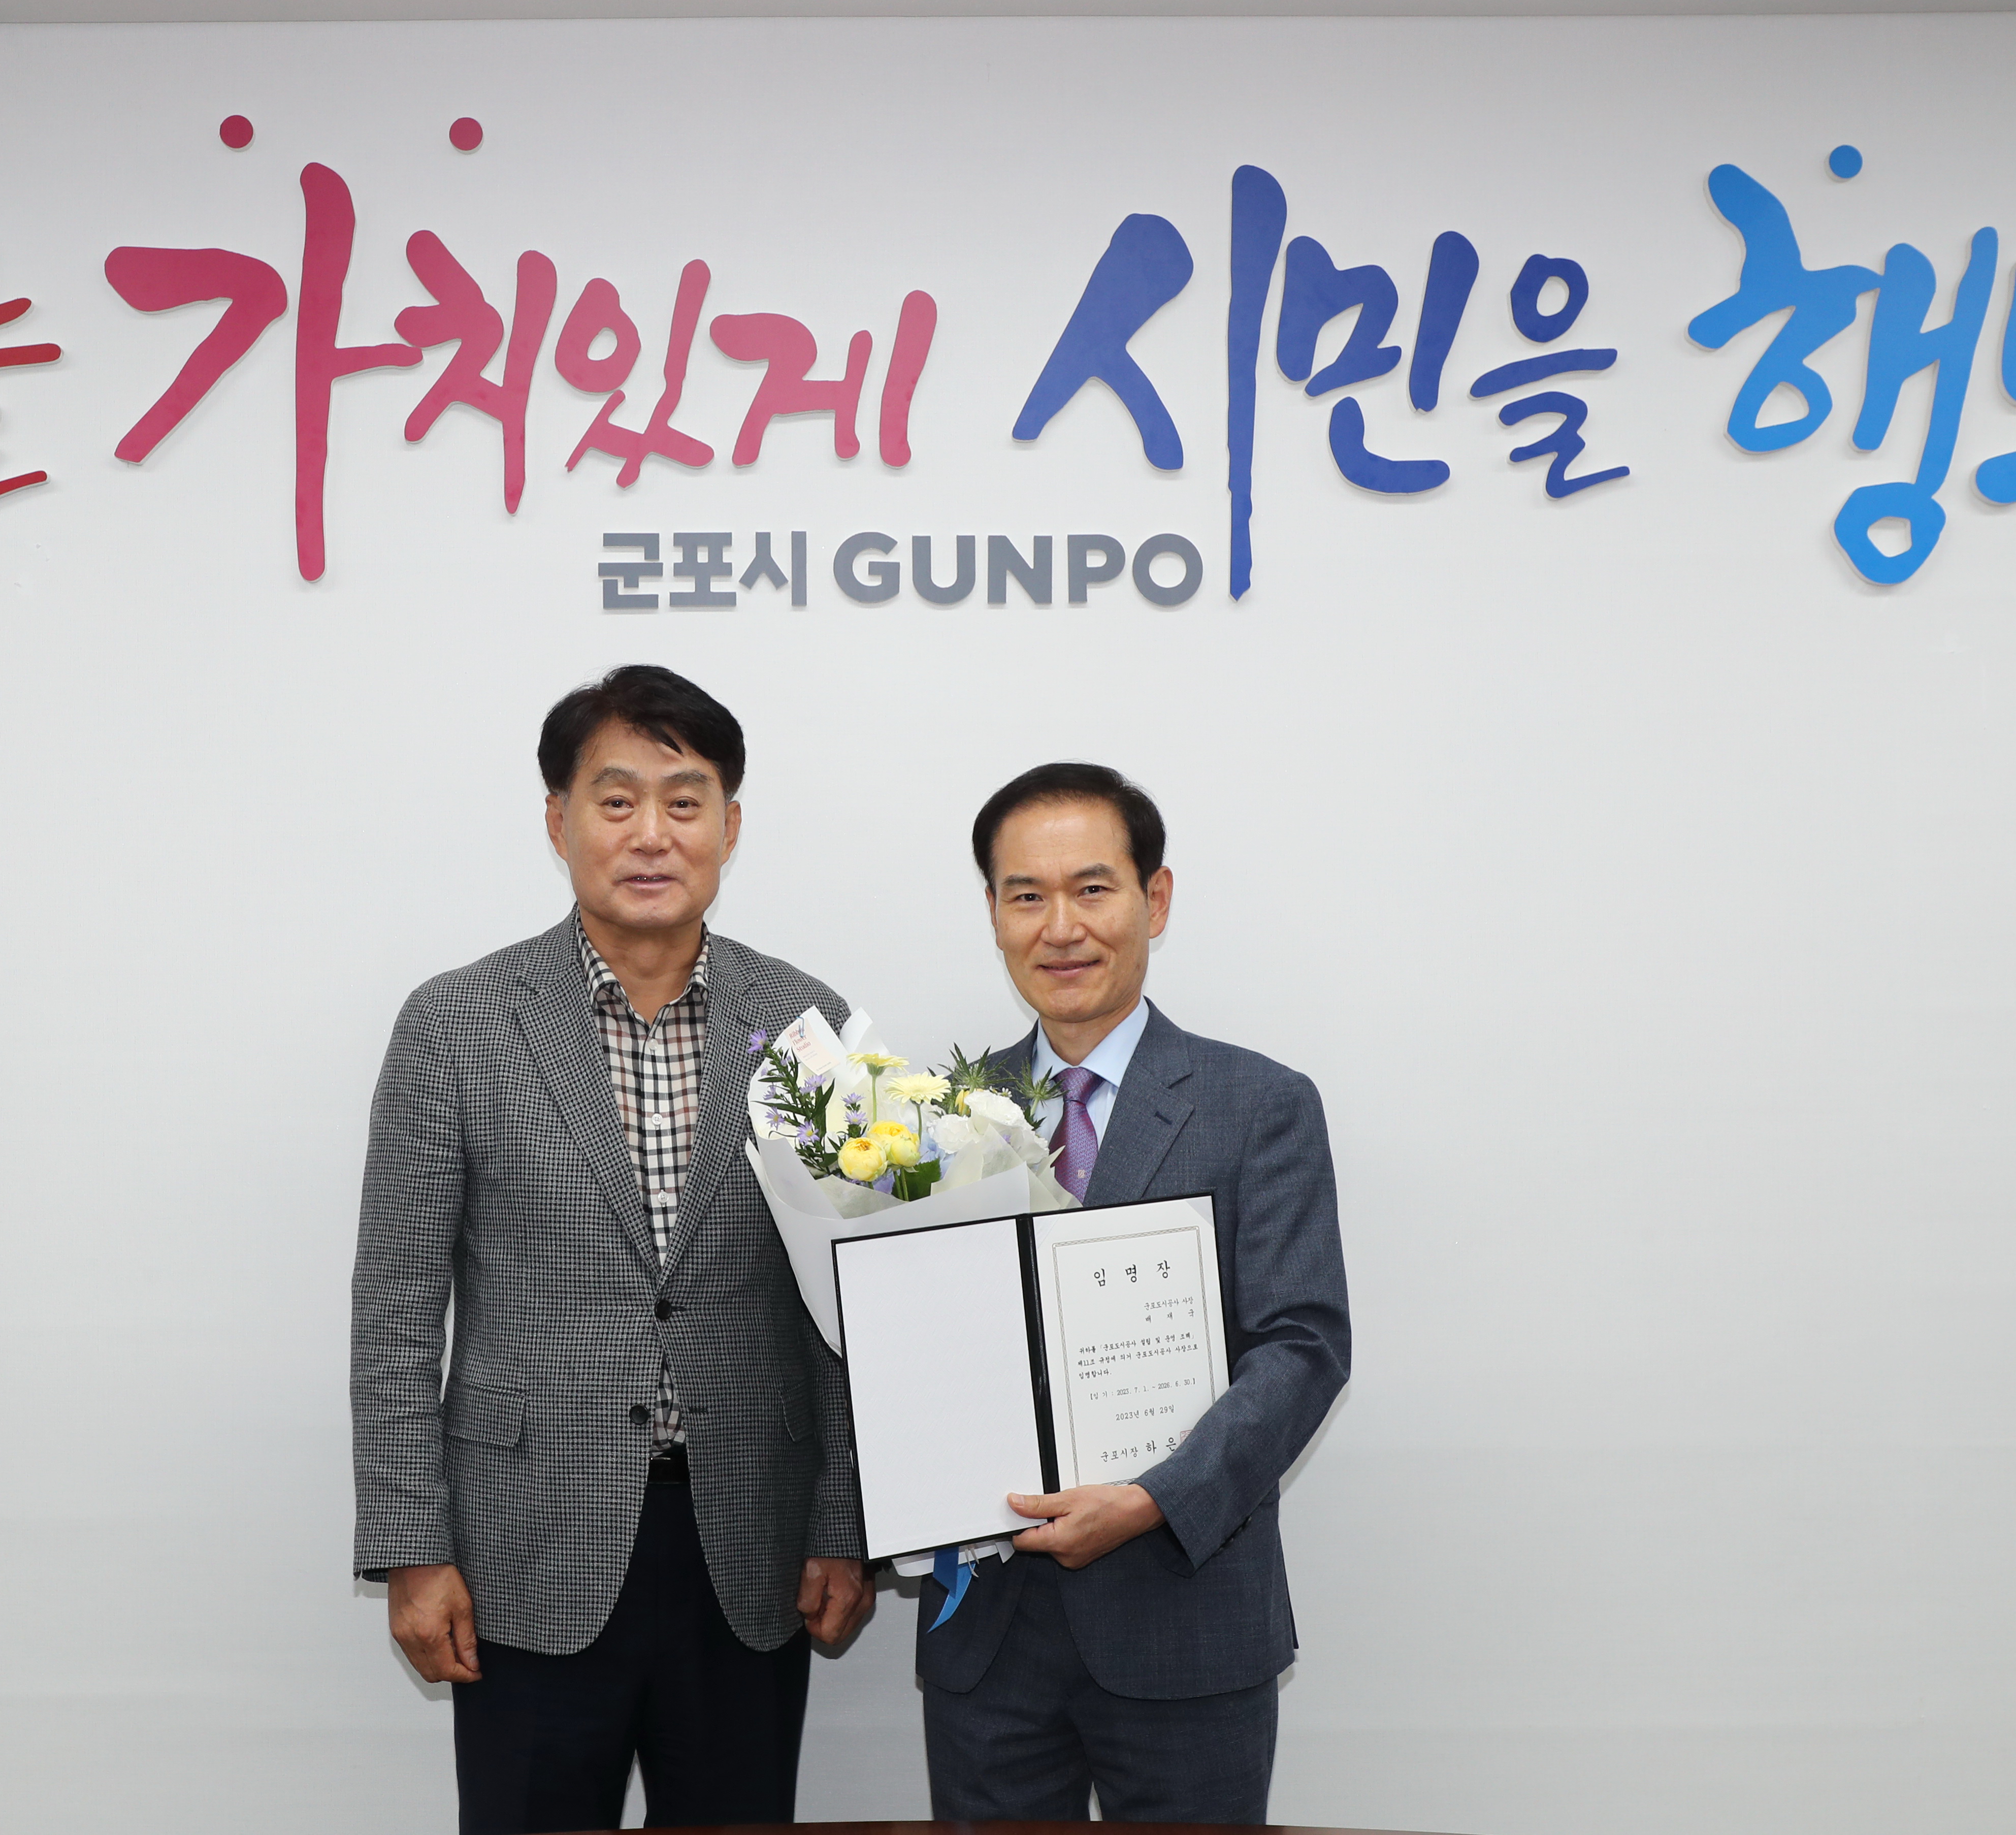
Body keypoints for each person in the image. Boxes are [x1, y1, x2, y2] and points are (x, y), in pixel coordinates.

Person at [351, 665, 873, 1835]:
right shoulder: (456, 1025)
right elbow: (395, 1311)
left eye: (685, 802)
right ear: (559, 821)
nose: (652, 834)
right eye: (618, 799)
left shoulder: (807, 1024)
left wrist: (842, 1524)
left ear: (730, 826)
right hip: (524, 1547)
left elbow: (846, 1310)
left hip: (749, 1546)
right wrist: (411, 1548)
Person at [919, 760, 1351, 1822]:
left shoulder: (1260, 1104)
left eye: (1092, 889)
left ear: (1154, 899)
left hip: (1184, 1617)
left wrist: (1155, 1499)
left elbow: (1302, 1347)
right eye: (1027, 895)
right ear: (993, 913)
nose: (1061, 927)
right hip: (990, 1639)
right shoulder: (933, 1117)